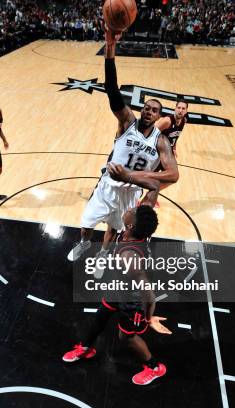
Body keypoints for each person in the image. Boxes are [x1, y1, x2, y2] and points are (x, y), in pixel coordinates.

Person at [67, 27, 178, 262]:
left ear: (159, 116)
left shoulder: (161, 142)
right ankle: (85, 243)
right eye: (146, 107)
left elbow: (174, 174)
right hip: (106, 188)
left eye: (154, 110)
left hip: (129, 195)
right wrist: (110, 48)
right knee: (86, 225)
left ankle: (104, 254)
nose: (149, 111)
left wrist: (132, 176)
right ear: (141, 109)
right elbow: (111, 89)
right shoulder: (127, 121)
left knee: (114, 230)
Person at [62, 169, 171, 386]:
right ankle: (86, 347)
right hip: (119, 287)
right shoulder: (140, 222)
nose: (131, 207)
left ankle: (154, 367)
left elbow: (148, 294)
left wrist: (149, 318)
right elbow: (155, 187)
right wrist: (127, 176)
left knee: (126, 337)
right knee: (101, 315)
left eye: (132, 209)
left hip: (133, 300)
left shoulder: (130, 256)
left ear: (130, 225)